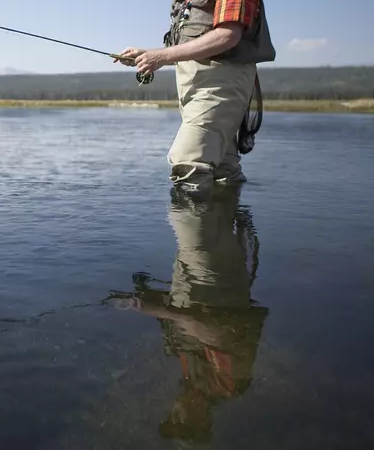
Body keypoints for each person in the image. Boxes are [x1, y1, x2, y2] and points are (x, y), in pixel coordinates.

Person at [116, 0, 276, 193]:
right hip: (193, 87)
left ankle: (194, 238)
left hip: (221, 84)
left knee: (187, 164)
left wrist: (160, 57)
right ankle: (225, 235)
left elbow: (228, 35)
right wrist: (147, 54)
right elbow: (189, 41)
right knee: (223, 169)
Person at [108, 187, 269, 443]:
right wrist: (163, 312)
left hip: (195, 286)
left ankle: (215, 178)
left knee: (195, 210)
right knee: (188, 212)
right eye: (179, 419)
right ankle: (200, 176)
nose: (175, 409)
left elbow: (185, 322)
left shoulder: (193, 380)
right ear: (202, 421)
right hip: (214, 287)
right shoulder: (229, 384)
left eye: (172, 416)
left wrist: (142, 303)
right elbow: (217, 332)